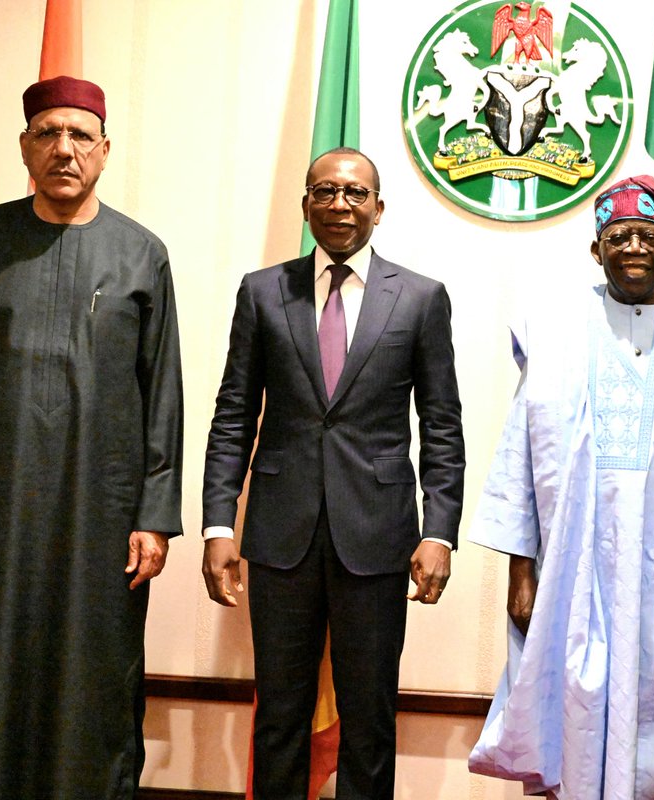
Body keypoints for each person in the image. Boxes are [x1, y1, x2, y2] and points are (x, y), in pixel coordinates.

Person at [0, 75, 184, 799]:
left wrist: (154, 514)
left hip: (102, 515)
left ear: (105, 150)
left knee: (94, 669)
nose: (64, 149)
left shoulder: (141, 254)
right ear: (25, 145)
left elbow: (163, 395)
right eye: (48, 134)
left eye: (80, 136)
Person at [468, 175, 654, 799]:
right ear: (597, 250)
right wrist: (522, 573)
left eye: (649, 236)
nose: (635, 247)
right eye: (620, 235)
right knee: (567, 699)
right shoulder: (552, 326)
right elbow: (522, 458)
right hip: (571, 566)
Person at [200, 147, 466, 800]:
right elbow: (234, 413)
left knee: (369, 718)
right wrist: (215, 524)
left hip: (376, 537)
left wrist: (440, 532)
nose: (339, 204)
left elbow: (441, 424)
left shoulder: (422, 299)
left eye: (354, 193)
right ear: (306, 205)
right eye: (325, 191)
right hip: (279, 535)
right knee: (281, 715)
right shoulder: (263, 291)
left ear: (378, 208)